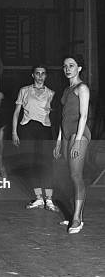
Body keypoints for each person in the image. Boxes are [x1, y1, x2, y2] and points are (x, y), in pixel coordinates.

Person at [12, 65, 58, 211]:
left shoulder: (51, 93)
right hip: (27, 129)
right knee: (32, 165)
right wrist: (14, 132)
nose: (40, 76)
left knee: (46, 164)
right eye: (37, 73)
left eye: (43, 73)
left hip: (44, 130)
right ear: (33, 75)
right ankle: (39, 198)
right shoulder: (24, 90)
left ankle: (49, 199)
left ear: (46, 76)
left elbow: (55, 115)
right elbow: (16, 113)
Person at [53, 55, 91, 234]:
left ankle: (77, 219)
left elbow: (83, 116)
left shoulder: (82, 88)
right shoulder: (67, 90)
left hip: (79, 134)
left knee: (76, 175)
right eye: (65, 66)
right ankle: (75, 214)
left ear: (79, 68)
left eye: (71, 65)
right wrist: (59, 141)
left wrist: (77, 140)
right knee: (70, 175)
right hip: (67, 134)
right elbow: (63, 118)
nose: (67, 69)